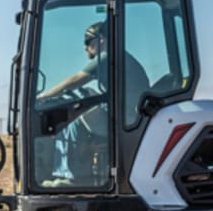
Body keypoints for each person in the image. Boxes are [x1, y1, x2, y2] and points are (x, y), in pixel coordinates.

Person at [38, 21, 148, 187]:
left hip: (126, 118)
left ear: (101, 39)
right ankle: (83, 171)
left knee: (71, 120)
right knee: (84, 108)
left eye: (87, 42)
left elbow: (74, 80)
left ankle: (73, 178)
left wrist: (43, 96)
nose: (85, 47)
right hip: (129, 114)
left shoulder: (108, 56)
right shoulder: (120, 57)